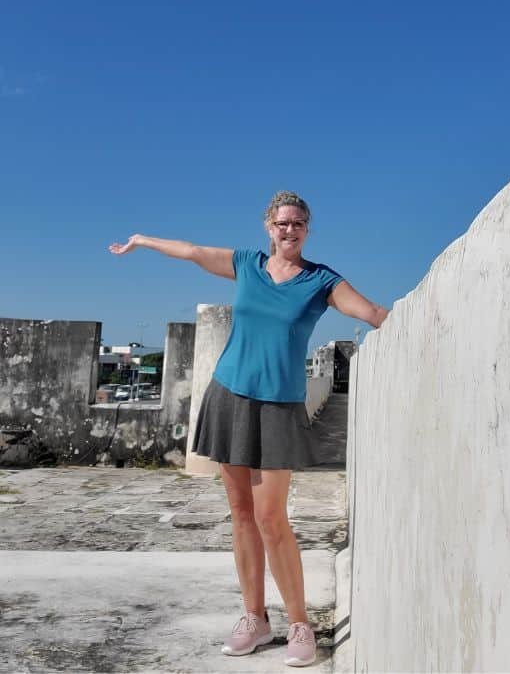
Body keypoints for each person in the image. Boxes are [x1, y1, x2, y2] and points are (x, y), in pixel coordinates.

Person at [109, 190, 389, 667]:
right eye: (282, 223)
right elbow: (193, 252)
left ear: (307, 229)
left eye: (297, 223)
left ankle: (299, 624)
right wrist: (142, 240)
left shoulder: (321, 280)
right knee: (240, 513)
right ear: (268, 227)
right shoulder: (247, 265)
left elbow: (373, 314)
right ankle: (255, 619)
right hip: (229, 396)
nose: (289, 230)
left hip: (279, 406)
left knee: (271, 518)